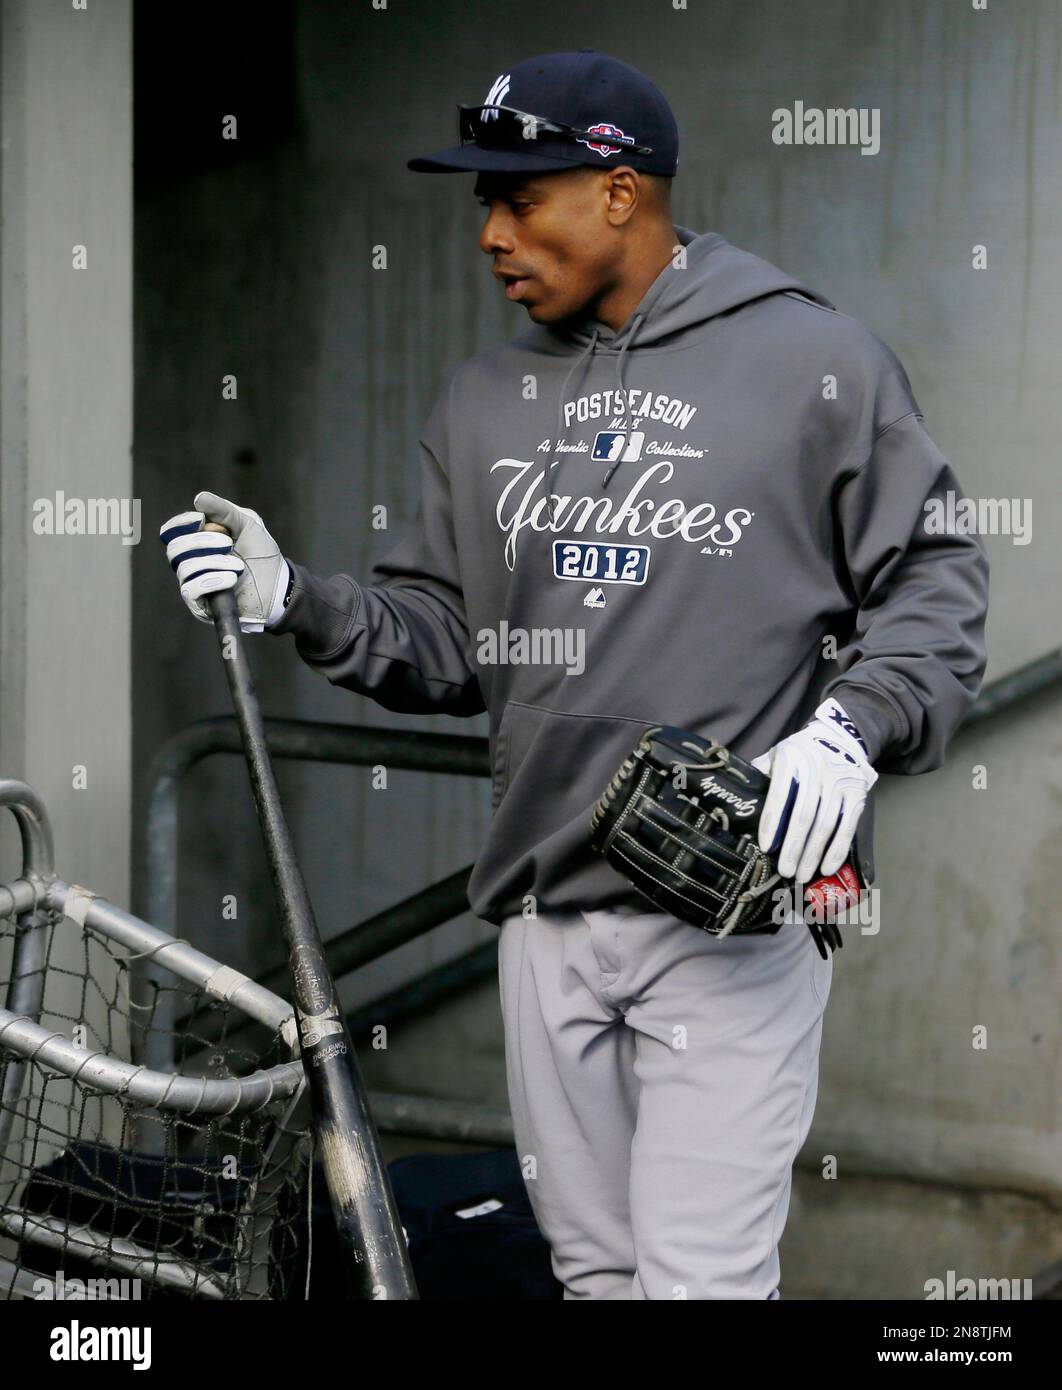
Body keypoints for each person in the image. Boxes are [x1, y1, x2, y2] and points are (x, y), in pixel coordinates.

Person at [160, 49, 989, 1299]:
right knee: (595, 1275)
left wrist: (852, 727)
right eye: (479, 203)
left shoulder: (816, 361)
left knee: (699, 1282)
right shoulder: (484, 397)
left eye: (518, 196)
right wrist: (298, 599)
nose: (490, 232)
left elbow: (936, 578)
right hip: (543, 912)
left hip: (728, 919)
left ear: (617, 190)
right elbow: (446, 636)